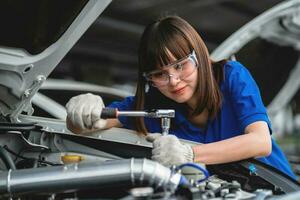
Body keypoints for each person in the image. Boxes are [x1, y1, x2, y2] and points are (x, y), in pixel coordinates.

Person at [66, 15, 296, 180]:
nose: (173, 81)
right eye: (159, 74)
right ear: (149, 78)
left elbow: (260, 142)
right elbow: (89, 125)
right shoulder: (153, 105)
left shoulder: (231, 76)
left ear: (199, 56)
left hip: (279, 187)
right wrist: (83, 110)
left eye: (180, 66)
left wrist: (189, 153)